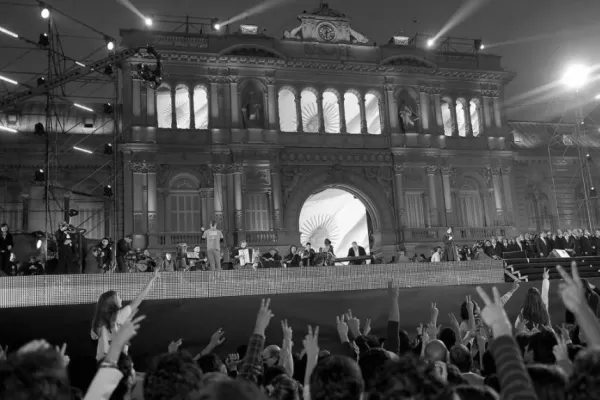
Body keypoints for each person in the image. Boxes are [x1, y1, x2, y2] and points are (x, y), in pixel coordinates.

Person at [90, 268, 160, 361]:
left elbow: (94, 336)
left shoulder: (97, 323)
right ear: (112, 302)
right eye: (118, 296)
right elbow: (139, 298)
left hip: (101, 362)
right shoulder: (119, 315)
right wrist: (152, 279)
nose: (121, 299)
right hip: (118, 360)